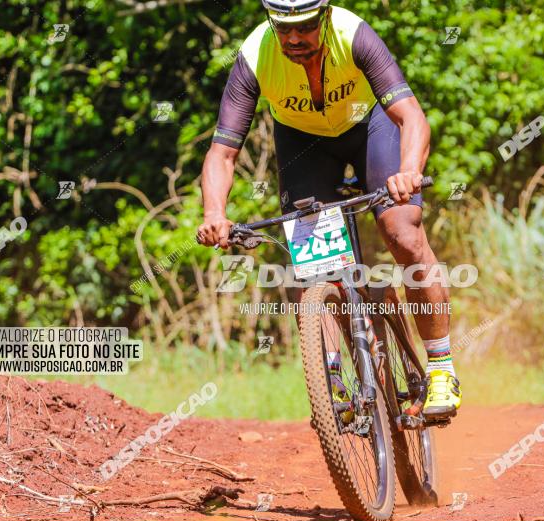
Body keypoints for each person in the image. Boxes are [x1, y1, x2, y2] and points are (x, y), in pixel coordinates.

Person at [196, 0, 461, 419]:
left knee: (404, 234)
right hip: (304, 144)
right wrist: (214, 213)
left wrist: (408, 172)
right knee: (316, 264)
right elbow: (222, 153)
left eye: (303, 26)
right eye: (284, 29)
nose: (294, 38)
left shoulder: (352, 33)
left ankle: (441, 366)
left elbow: (411, 116)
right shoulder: (254, 56)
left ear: (323, 17)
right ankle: (333, 380)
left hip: (369, 128)